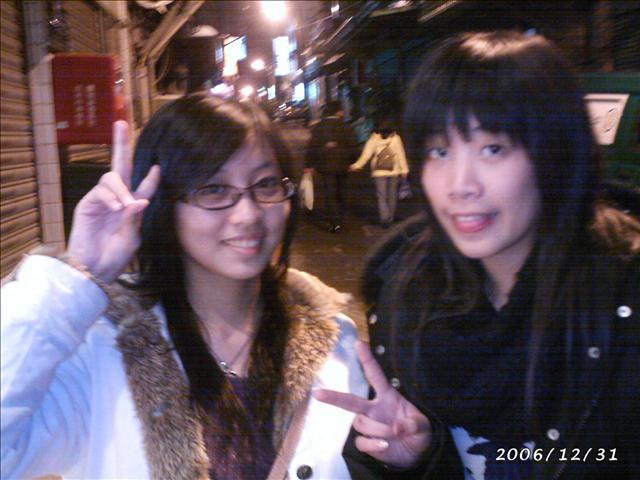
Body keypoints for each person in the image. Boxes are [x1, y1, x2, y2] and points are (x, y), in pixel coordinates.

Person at [315, 30, 640, 479]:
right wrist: (417, 456)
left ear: (556, 153)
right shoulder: (407, 287)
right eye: (439, 151)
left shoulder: (623, 296)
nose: (460, 185)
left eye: (492, 149)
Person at [1, 95, 368, 479]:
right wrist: (76, 276)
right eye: (214, 189)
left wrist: (401, 460)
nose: (248, 214)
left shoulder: (337, 341)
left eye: (266, 184)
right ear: (163, 203)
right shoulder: (101, 347)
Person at [305, 100, 360, 232]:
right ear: (339, 112)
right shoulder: (346, 127)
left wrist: (309, 165)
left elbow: (312, 147)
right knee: (342, 191)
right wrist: (353, 162)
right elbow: (354, 147)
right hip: (343, 165)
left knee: (330, 193)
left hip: (325, 166)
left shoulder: (319, 127)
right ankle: (341, 216)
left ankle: (335, 222)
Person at [350, 118, 409, 228]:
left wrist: (357, 165)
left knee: (381, 196)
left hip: (379, 172)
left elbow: (366, 155)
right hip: (394, 171)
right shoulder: (396, 138)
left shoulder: (373, 139)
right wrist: (404, 170)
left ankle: (384, 219)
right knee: (392, 195)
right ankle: (390, 218)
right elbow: (401, 154)